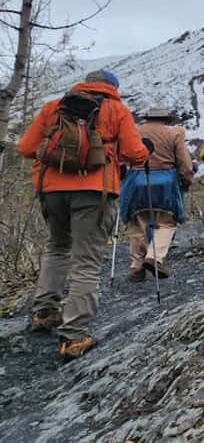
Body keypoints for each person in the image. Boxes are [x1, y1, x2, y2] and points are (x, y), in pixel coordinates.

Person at [17, 69, 149, 359]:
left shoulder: (54, 107)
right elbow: (135, 153)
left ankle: (44, 311)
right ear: (113, 87)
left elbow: (25, 147)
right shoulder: (116, 109)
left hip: (51, 190)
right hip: (95, 191)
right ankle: (74, 335)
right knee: (87, 260)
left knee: (56, 247)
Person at [119, 107, 194, 281]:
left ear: (148, 118)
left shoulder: (135, 132)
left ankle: (136, 266)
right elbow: (185, 164)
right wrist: (187, 180)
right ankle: (154, 257)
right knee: (166, 222)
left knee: (137, 223)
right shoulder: (174, 133)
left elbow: (123, 158)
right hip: (165, 182)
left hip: (136, 182)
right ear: (167, 119)